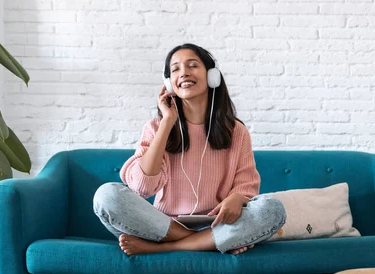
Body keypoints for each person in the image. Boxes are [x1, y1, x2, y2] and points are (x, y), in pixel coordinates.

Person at [93, 43, 286, 256]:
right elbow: (142, 187)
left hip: (217, 225)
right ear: (169, 83)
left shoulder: (236, 131)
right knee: (106, 195)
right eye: (175, 69)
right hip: (163, 227)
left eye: (192, 65)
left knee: (272, 210)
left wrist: (237, 198)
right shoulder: (156, 127)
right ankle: (207, 244)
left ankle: (168, 249)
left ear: (212, 76)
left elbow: (246, 187)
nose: (184, 72)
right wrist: (167, 122)